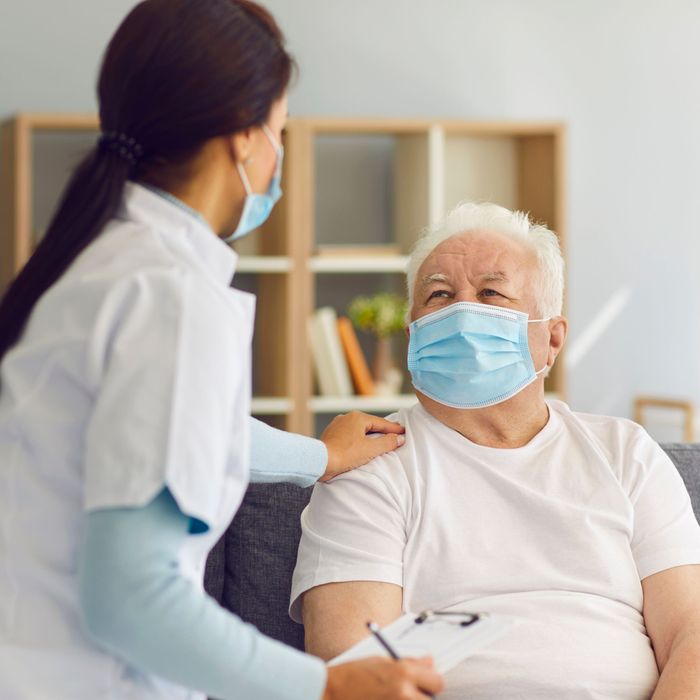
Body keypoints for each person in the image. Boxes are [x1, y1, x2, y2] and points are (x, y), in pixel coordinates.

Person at [0, 2, 444, 699]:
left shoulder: (103, 268)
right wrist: (330, 687)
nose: (280, 156)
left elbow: (164, 429)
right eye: (281, 131)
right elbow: (132, 600)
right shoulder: (171, 297)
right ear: (245, 139)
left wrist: (317, 459)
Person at [291, 202, 700, 699]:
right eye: (439, 294)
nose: (464, 312)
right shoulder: (369, 463)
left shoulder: (625, 452)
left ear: (551, 339)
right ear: (411, 335)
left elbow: (691, 636)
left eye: (491, 292)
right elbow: (354, 669)